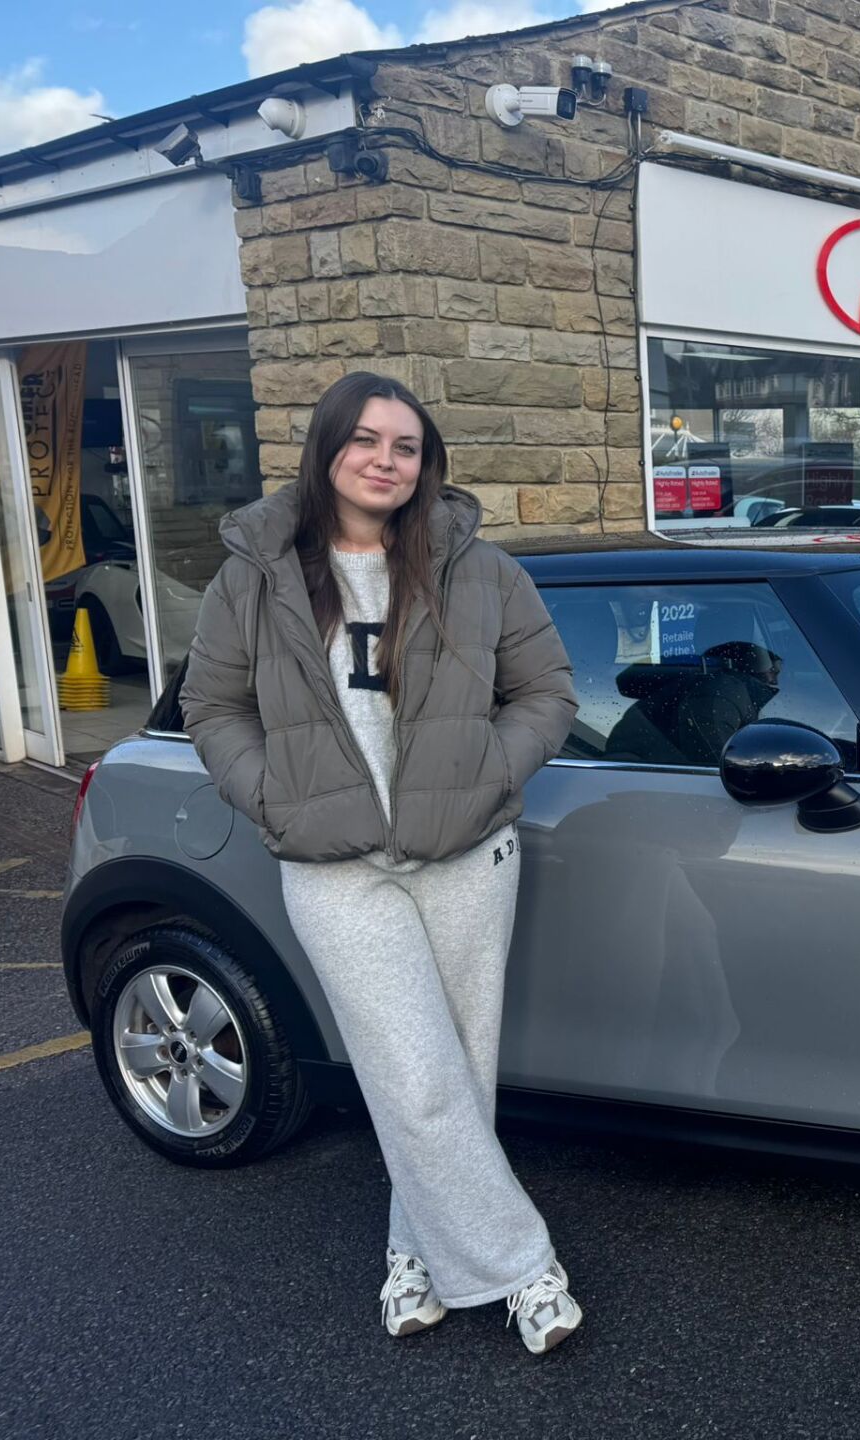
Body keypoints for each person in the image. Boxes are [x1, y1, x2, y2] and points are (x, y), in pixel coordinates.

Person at [178, 371, 583, 1354]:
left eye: (406, 447)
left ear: (425, 462)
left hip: (465, 853)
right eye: (366, 440)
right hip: (334, 867)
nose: (386, 461)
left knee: (458, 1072)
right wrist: (271, 795)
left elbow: (547, 693)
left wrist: (491, 772)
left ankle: (417, 1257)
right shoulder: (258, 575)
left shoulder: (481, 571)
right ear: (325, 450)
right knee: (414, 1077)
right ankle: (528, 1268)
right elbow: (212, 708)